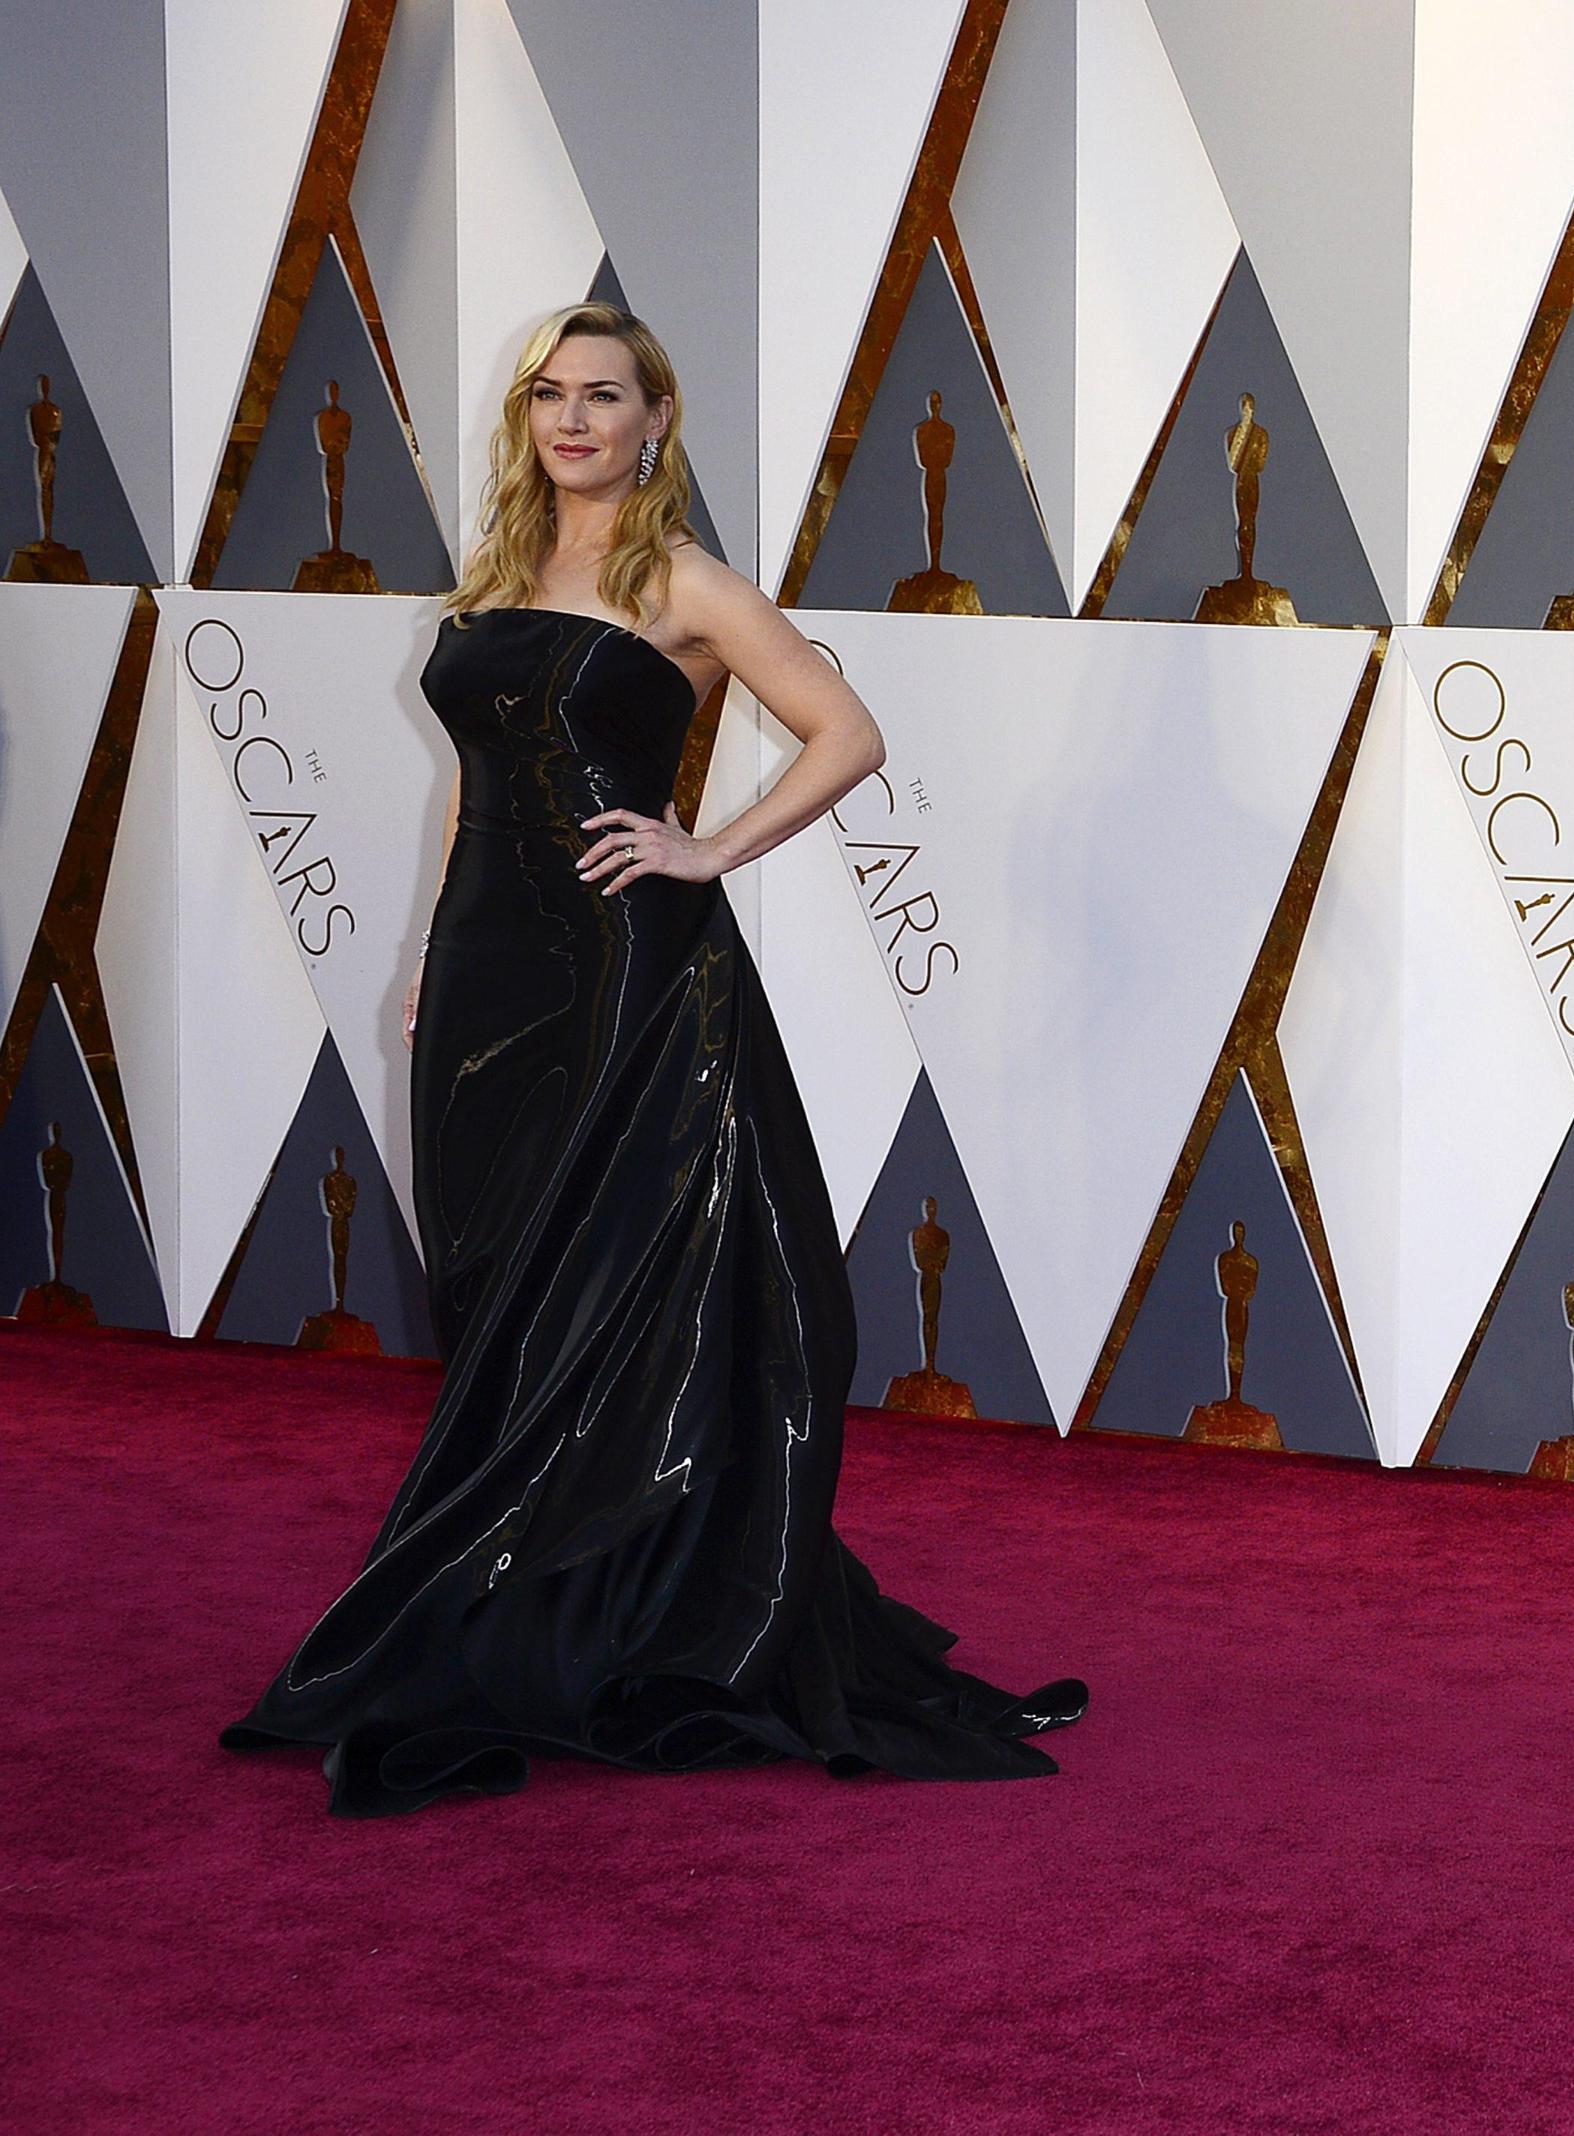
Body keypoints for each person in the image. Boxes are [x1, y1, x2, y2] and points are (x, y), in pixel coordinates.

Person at [222, 302, 1084, 1816]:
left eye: (604, 395)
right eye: (549, 394)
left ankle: (628, 1599)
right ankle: (520, 1579)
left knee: (615, 1279)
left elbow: (848, 733)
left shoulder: (683, 581)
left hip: (629, 972)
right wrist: (429, 945)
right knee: (499, 1284)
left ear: (654, 421)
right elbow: (473, 780)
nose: (572, 419)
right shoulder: (498, 575)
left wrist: (704, 850)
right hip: (488, 970)